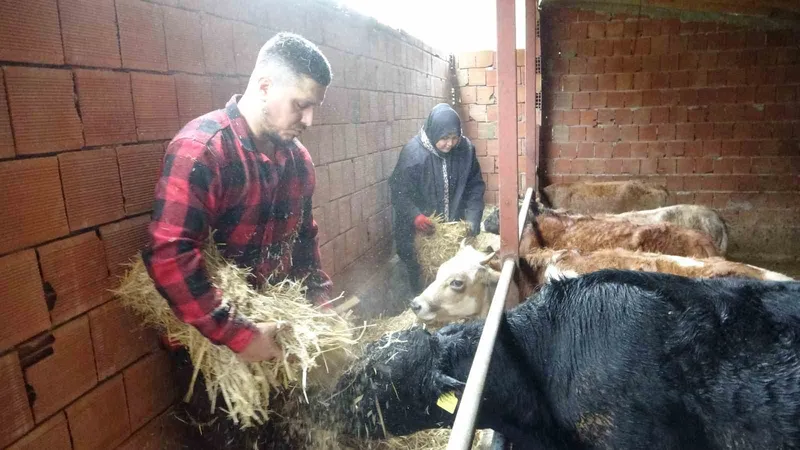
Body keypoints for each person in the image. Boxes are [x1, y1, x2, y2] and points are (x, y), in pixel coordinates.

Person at [142, 32, 333, 364]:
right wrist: (240, 335)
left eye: (314, 108)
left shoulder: (298, 161)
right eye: (301, 105)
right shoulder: (203, 151)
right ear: (264, 87)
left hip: (277, 332)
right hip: (214, 348)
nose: (309, 121)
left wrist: (322, 306)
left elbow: (304, 240)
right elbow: (170, 255)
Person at [389, 103, 486, 294]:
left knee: (453, 282)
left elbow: (475, 186)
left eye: (454, 137)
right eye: (444, 138)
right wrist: (415, 216)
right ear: (433, 133)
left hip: (452, 233)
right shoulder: (413, 154)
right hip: (422, 234)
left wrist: (473, 218)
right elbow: (399, 191)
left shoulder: (466, 150)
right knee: (422, 280)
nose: (450, 144)